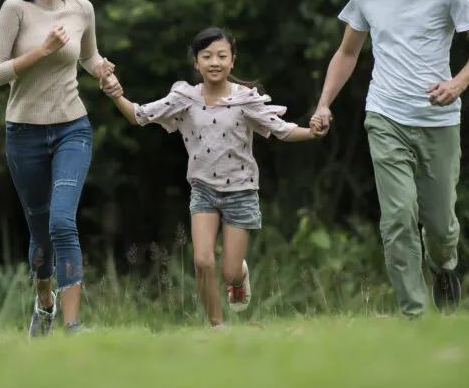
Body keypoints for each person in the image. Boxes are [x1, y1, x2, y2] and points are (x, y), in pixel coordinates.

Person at [309, 0, 469, 319]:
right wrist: (324, 103)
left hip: (438, 122)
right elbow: (347, 52)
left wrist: (457, 83)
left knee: (440, 226)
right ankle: (415, 317)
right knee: (397, 218)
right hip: (385, 116)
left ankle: (445, 268)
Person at [100, 26, 326, 328]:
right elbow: (139, 115)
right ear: (196, 62)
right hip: (203, 190)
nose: (215, 62)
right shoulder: (184, 99)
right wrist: (117, 95)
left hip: (242, 191)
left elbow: (281, 130)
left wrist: (312, 132)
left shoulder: (245, 100)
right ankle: (217, 326)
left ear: (232, 61)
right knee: (202, 260)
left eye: (222, 56)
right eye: (207, 56)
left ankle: (238, 277)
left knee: (228, 273)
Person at [0, 0, 118, 337]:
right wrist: (40, 51)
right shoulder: (16, 10)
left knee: (63, 221)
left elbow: (88, 55)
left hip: (71, 128)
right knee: (41, 236)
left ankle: (74, 325)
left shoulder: (81, 9)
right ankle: (45, 303)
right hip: (23, 133)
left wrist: (102, 70)